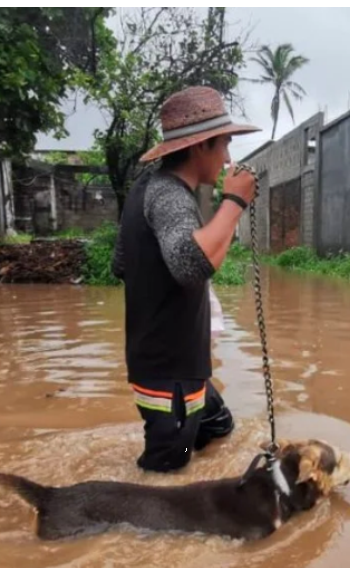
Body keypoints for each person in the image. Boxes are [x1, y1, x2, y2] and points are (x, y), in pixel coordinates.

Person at [111, 86, 260, 473]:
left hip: (168, 363)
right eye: (224, 144)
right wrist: (235, 202)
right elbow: (191, 265)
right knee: (163, 478)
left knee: (219, 426)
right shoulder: (170, 196)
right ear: (201, 146)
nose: (228, 158)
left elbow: (121, 264)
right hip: (170, 374)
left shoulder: (146, 188)